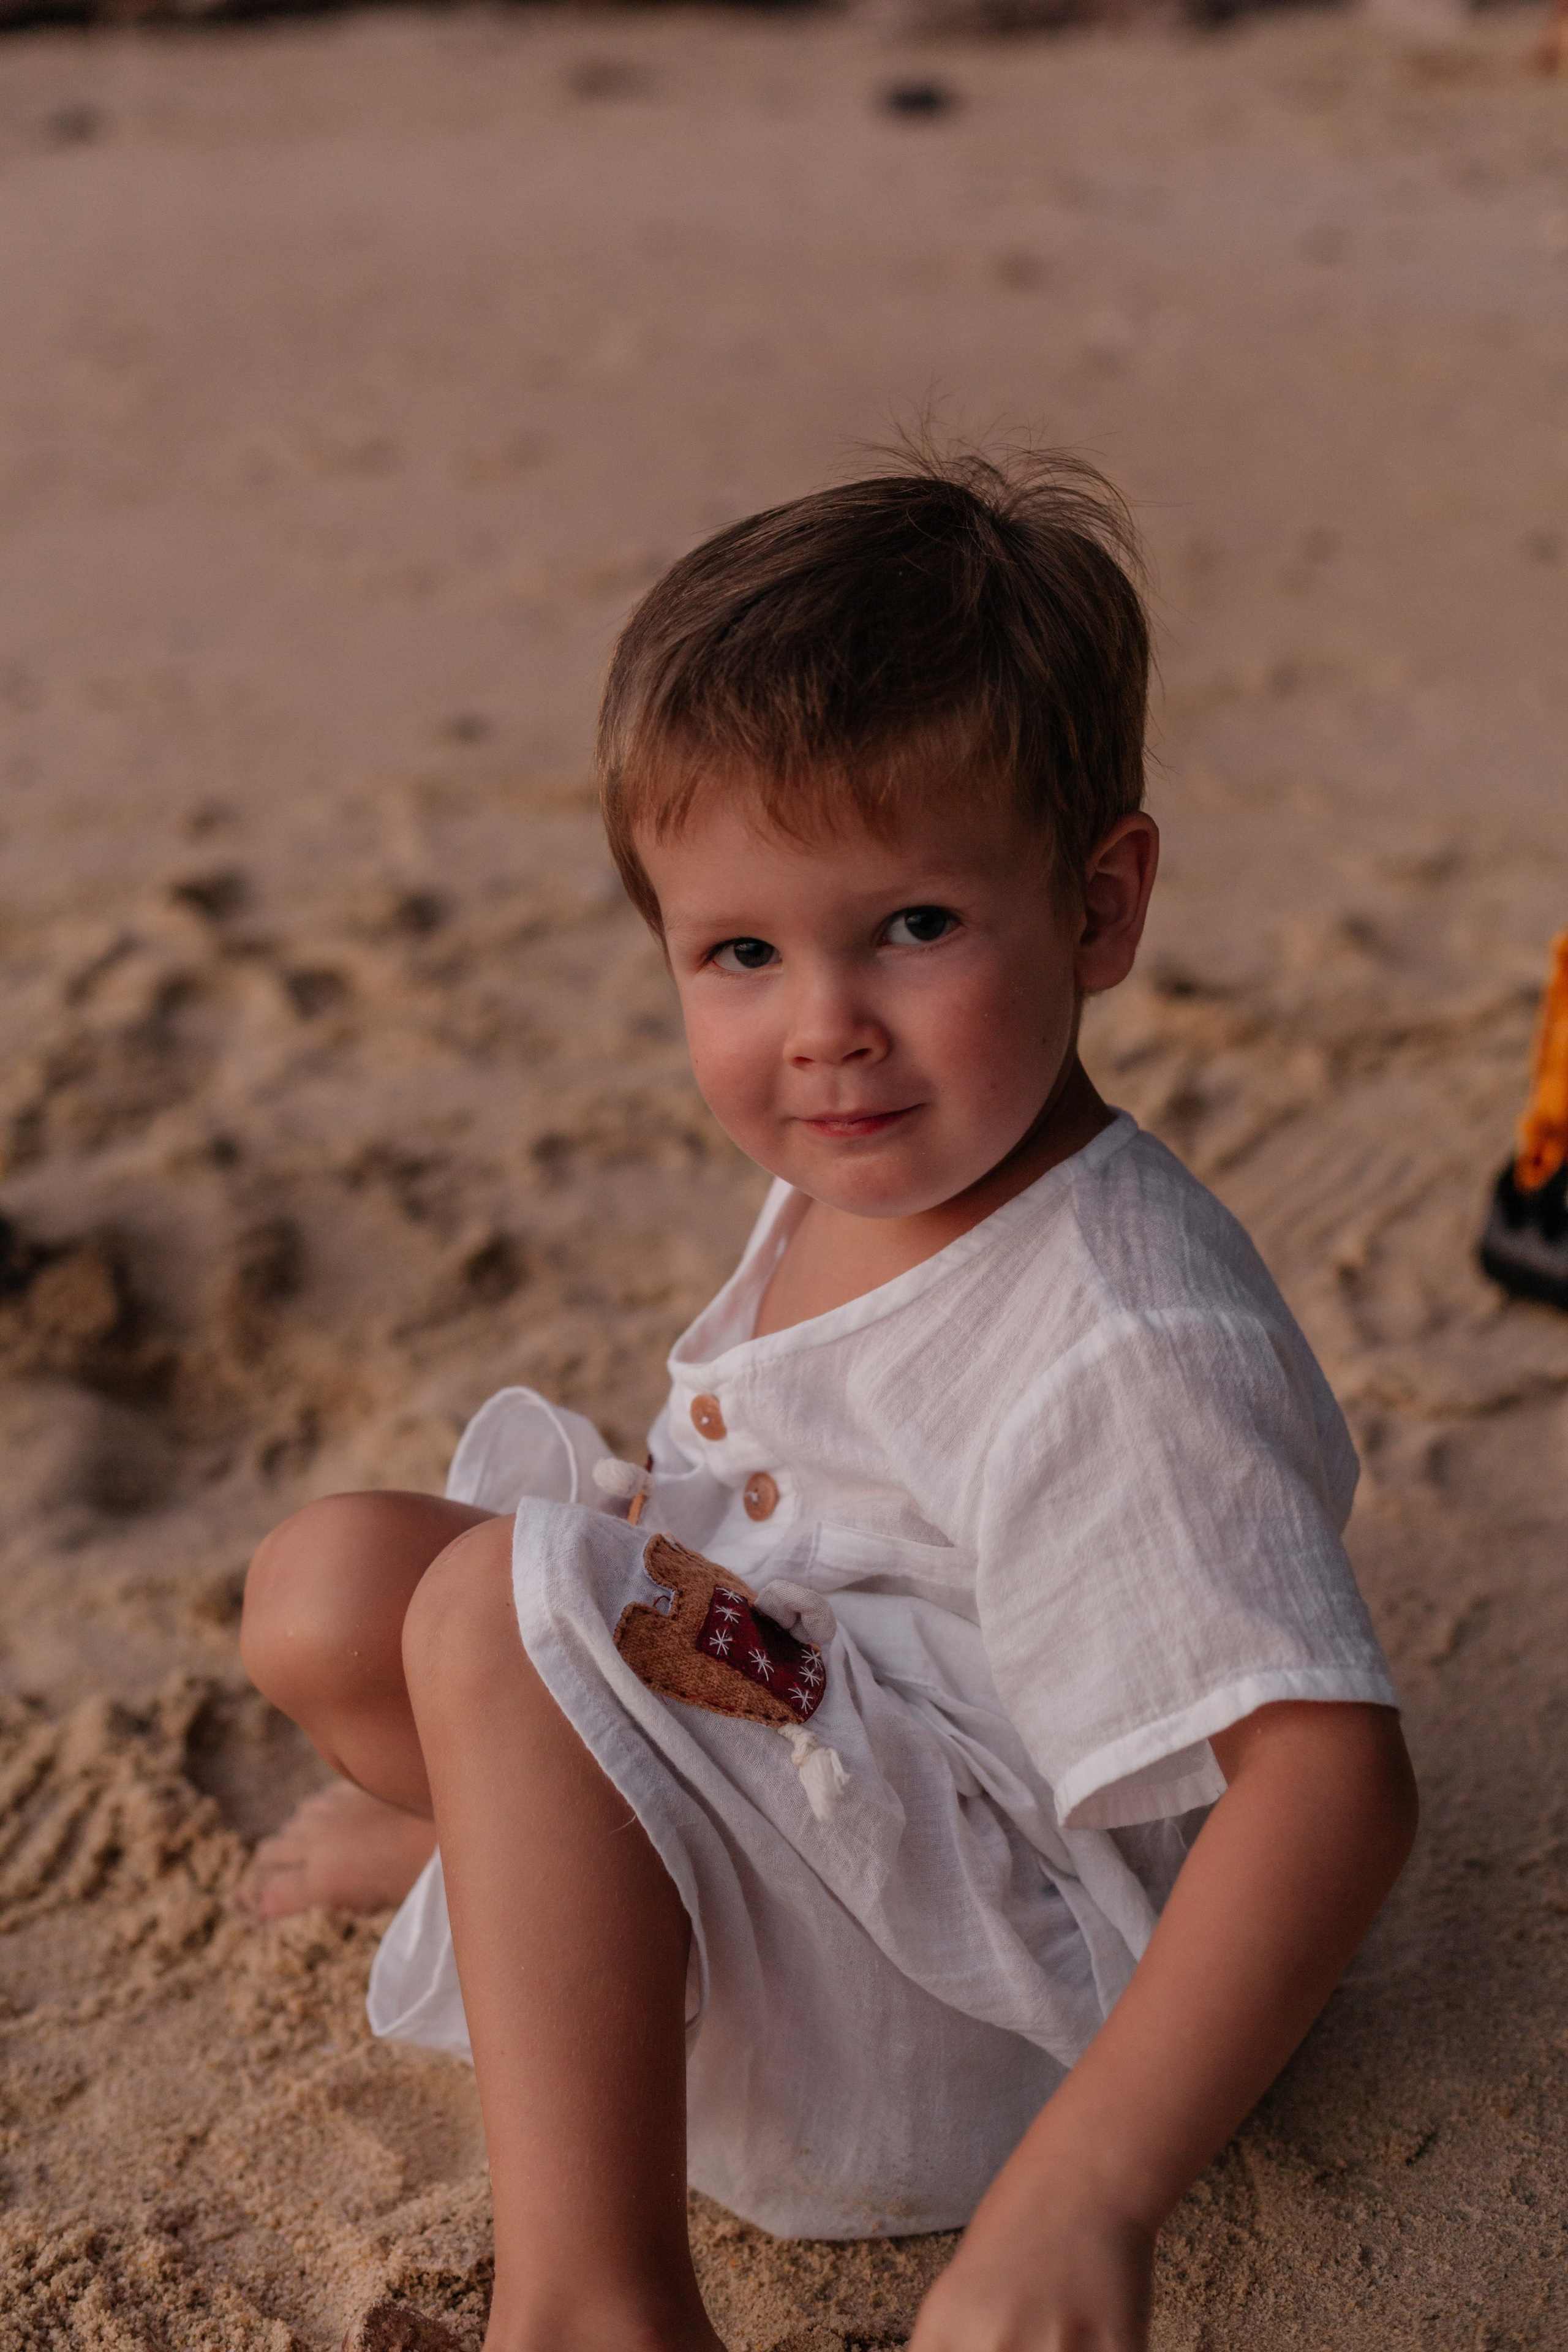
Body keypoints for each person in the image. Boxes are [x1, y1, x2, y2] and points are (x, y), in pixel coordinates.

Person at [239, 448, 1418, 2352]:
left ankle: (596, 2307)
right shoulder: (884, 1144)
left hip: (1006, 2001)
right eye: (741, 952)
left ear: (1101, 908)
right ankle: (537, 1869)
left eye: (916, 929)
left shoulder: (1123, 1336)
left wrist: (1087, 2195)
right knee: (333, 1585)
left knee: (499, 1603)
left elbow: (1333, 1789)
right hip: (825, 1751)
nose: (825, 1023)